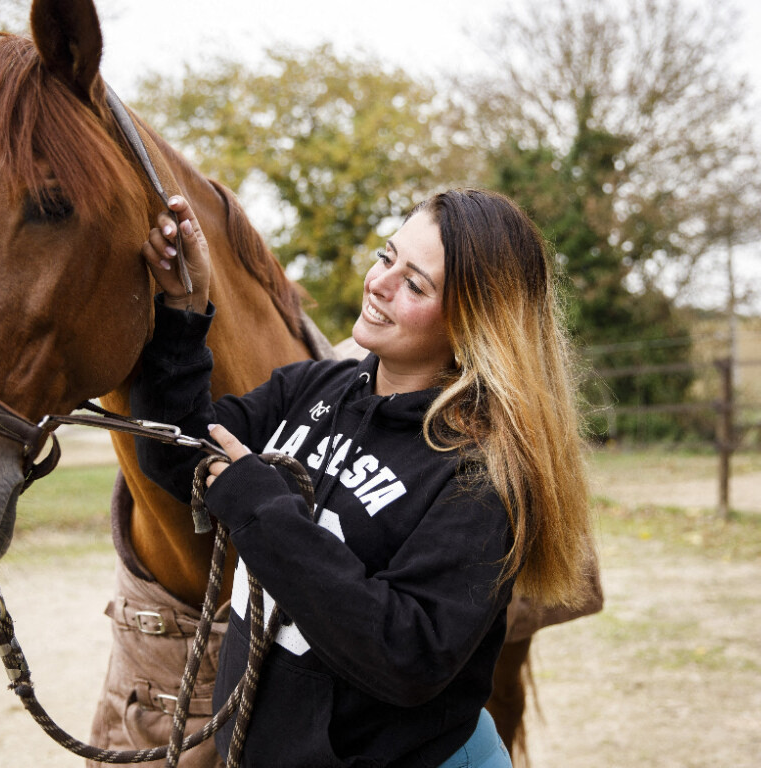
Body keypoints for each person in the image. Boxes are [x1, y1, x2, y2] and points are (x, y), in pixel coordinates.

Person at [131, 188, 595, 767]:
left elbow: (408, 656)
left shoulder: (483, 474)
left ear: (475, 322)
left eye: (415, 285)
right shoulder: (309, 389)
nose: (379, 284)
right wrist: (183, 309)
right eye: (386, 257)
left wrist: (259, 508)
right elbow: (177, 453)